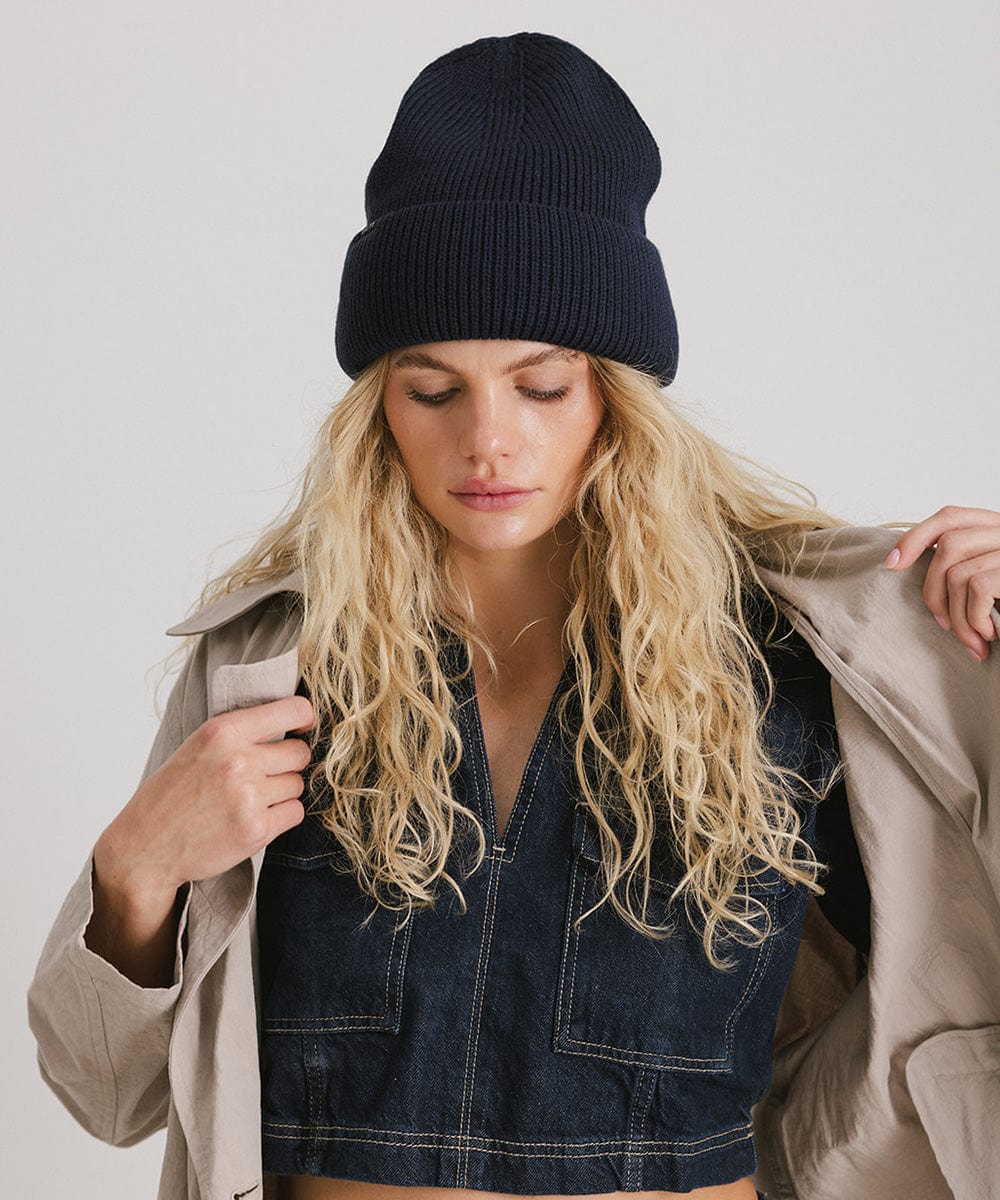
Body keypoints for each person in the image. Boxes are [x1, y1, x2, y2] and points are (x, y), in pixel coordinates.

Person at [27, 30, 1000, 1200]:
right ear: (376, 406)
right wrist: (136, 872)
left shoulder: (805, 668)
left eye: (541, 385)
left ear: (619, 400)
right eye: (430, 388)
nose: (486, 438)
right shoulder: (269, 666)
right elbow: (104, 1092)